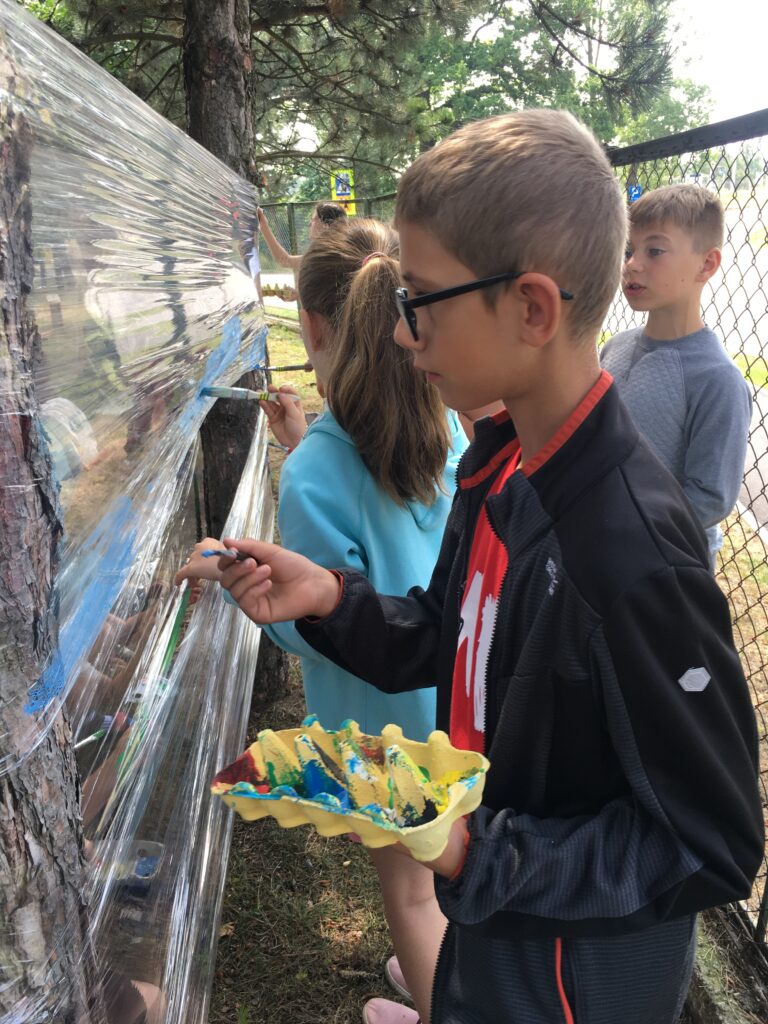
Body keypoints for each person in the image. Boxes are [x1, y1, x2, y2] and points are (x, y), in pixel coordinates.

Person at [178, 110, 764, 1024]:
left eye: (422, 300)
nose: (405, 335)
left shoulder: (632, 552)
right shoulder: (498, 461)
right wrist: (334, 597)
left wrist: (471, 850)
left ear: (531, 308)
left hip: (574, 981)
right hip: (495, 928)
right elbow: (457, 635)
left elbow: (712, 841)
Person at [180, 217, 468, 1024]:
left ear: (310, 328)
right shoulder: (441, 423)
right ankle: (443, 975)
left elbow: (310, 619)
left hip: (376, 737)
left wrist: (248, 593)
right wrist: (304, 439)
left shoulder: (313, 475)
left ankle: (444, 1005)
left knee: (409, 894)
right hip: (449, 709)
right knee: (444, 871)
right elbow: (400, 564)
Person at [601, 184, 752, 571]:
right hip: (597, 552)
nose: (632, 264)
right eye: (629, 250)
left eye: (654, 250)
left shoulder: (718, 379)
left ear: (707, 264)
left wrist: (620, 523)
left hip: (664, 573)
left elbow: (710, 498)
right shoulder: (614, 347)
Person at [257, 200, 348, 270]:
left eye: (313, 220)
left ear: (326, 225)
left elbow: (284, 260)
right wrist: (297, 295)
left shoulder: (325, 256)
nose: (309, 224)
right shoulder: (341, 252)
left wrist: (263, 225)